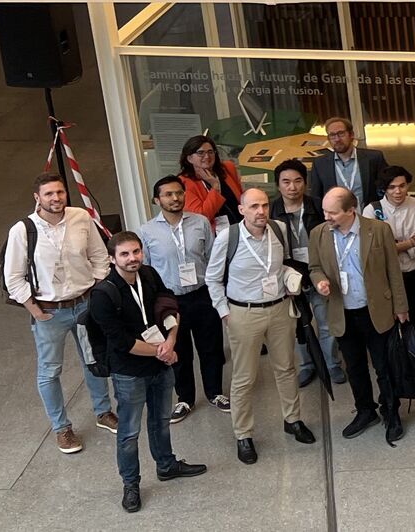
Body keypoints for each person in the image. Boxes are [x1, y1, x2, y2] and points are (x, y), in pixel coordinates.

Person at [84, 232, 207, 513]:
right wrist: (162, 351)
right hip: (129, 371)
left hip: (160, 363)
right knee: (129, 431)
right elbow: (121, 342)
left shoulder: (150, 275)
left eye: (136, 252)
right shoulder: (103, 294)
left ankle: (166, 465)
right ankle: (131, 484)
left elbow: (169, 306)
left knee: (160, 420)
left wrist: (171, 340)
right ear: (112, 259)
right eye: (125, 254)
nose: (132, 258)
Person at [203, 187, 316, 464]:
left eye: (264, 205)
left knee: (286, 368)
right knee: (244, 377)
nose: (260, 211)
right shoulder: (228, 237)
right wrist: (224, 313)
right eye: (253, 206)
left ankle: (293, 420)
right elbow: (212, 278)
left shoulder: (278, 229)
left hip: (279, 310)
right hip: (243, 313)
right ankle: (243, 434)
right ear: (241, 210)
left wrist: (289, 279)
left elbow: (281, 265)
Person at [4, 173, 113, 455]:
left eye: (60, 192)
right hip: (49, 311)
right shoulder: (23, 230)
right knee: (50, 371)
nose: (56, 198)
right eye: (49, 194)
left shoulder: (81, 218)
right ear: (37, 198)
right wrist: (35, 310)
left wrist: (96, 289)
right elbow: (13, 278)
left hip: (85, 304)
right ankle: (61, 428)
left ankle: (103, 412)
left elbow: (100, 256)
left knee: (93, 359)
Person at [308, 187, 411, 444]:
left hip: (375, 311)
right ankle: (365, 410)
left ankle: (391, 411)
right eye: (325, 211)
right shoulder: (318, 233)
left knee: (384, 366)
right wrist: (319, 281)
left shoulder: (378, 230)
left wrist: (400, 307)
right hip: (342, 312)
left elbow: (393, 270)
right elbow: (314, 267)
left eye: (332, 212)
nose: (326, 217)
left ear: (351, 210)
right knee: (354, 367)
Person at [136, 177, 227, 422]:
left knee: (211, 347)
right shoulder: (146, 231)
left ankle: (215, 392)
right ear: (157, 200)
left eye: (178, 193)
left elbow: (212, 258)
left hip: (202, 295)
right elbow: (147, 269)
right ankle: (185, 398)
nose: (175, 198)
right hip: (170, 300)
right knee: (179, 351)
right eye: (168, 194)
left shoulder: (200, 222)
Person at [274, 160, 342, 387]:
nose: (292, 187)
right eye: (286, 182)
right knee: (298, 326)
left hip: (319, 272)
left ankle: (332, 364)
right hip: (289, 276)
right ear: (278, 185)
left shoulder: (318, 206)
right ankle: (306, 365)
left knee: (326, 322)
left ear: (305, 183)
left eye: (298, 181)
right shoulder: (272, 211)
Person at [368, 166, 415, 364]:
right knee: (388, 330)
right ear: (384, 189)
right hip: (386, 280)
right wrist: (410, 243)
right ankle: (398, 373)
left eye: (402, 186)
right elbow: (373, 254)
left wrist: (392, 246)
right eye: (392, 187)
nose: (398, 191)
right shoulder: (372, 210)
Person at [308, 117, 389, 211]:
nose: (337, 139)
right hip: (337, 218)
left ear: (351, 135)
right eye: (332, 135)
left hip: (369, 216)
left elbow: (386, 188)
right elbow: (316, 198)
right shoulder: (320, 164)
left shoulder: (373, 158)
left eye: (341, 133)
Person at [174, 135, 246, 227]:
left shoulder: (227, 168)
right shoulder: (183, 182)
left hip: (240, 226)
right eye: (200, 153)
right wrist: (215, 187)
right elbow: (202, 217)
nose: (207, 156)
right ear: (189, 158)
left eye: (210, 152)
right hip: (213, 233)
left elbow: (242, 199)